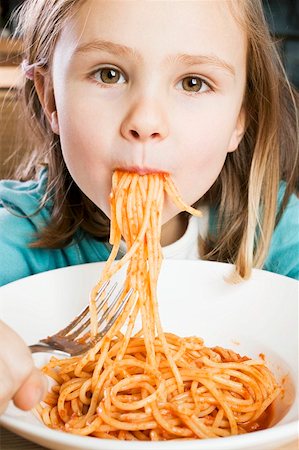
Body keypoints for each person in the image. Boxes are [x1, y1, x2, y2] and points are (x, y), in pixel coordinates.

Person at [0, 0, 298, 417]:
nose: (146, 119)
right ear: (50, 98)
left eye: (193, 83)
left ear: (239, 118)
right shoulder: (14, 234)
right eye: (109, 74)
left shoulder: (275, 228)